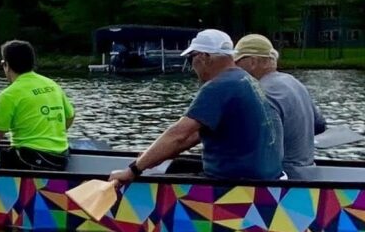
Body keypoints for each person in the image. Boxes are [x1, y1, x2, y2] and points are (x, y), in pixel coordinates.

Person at [106, 27, 283, 186]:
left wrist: (132, 170)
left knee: (152, 180)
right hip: (262, 175)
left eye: (192, 58)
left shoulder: (219, 86)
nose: (192, 67)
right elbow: (192, 137)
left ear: (204, 57)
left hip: (236, 183)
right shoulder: (247, 80)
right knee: (177, 165)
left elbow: (179, 134)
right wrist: (149, 157)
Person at [231, 33, 325, 170]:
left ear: (252, 62)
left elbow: (264, 147)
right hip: (308, 169)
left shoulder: (261, 92)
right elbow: (319, 125)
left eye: (237, 62)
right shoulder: (293, 81)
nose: (234, 68)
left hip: (285, 176)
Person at [0, 39, 75, 170]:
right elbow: (70, 117)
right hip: (61, 157)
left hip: (30, 160)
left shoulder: (8, 95)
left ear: (5, 64)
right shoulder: (52, 84)